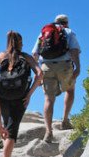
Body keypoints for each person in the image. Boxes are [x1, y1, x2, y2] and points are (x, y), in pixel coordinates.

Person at [0, 31, 42, 157]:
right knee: (12, 130)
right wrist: (29, 94)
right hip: (20, 98)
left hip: (1, 96)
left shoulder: (0, 56)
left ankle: (7, 155)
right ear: (20, 43)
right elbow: (39, 74)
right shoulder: (27, 57)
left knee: (6, 125)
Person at [32, 14, 81, 142]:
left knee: (48, 98)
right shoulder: (68, 32)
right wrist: (78, 67)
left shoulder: (43, 33)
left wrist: (36, 73)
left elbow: (34, 54)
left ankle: (48, 131)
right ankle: (65, 121)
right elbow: (74, 51)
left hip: (46, 67)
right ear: (66, 23)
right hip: (64, 66)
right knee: (70, 90)